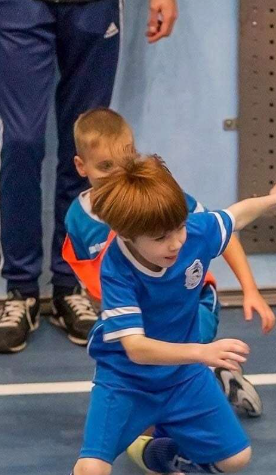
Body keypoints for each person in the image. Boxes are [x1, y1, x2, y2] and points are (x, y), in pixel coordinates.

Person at [31, 155, 276, 475]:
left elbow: (234, 217)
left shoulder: (188, 233)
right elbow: (136, 348)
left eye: (179, 228)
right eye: (161, 237)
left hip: (182, 378)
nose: (177, 242)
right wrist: (203, 352)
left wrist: (273, 199)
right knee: (93, 470)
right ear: (126, 235)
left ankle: (157, 459)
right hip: (126, 381)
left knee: (234, 459)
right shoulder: (117, 269)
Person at [64, 107, 271, 416]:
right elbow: (95, 281)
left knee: (177, 356)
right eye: (105, 166)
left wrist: (250, 289)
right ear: (82, 166)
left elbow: (221, 232)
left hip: (193, 302)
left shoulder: (162, 201)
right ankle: (207, 378)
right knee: (144, 367)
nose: (117, 174)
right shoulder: (78, 221)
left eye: (124, 162)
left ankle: (207, 376)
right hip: (147, 316)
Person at [0, 0, 178, 354]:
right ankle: (21, 291)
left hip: (93, 7)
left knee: (88, 152)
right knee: (21, 144)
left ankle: (71, 284)